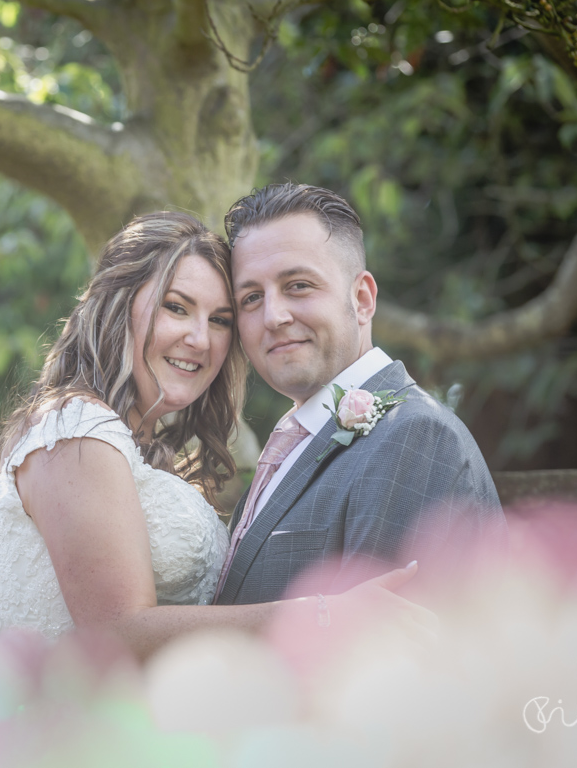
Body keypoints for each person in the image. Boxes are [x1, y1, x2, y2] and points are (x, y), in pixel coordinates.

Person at [0, 211, 433, 723]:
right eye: (177, 308)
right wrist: (322, 615)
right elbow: (115, 630)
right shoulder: (76, 430)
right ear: (118, 307)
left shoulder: (127, 447)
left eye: (220, 320)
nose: (200, 339)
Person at [216, 184, 507, 607]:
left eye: (298, 285)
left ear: (363, 299)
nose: (273, 316)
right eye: (251, 297)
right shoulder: (293, 442)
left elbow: (377, 659)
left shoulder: (414, 436)